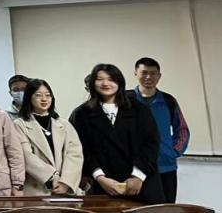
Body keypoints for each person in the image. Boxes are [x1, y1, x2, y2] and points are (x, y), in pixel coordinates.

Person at [70, 63, 163, 204]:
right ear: (92, 82)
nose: (105, 83)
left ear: (120, 82)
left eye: (111, 79)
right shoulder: (81, 114)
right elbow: (82, 150)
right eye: (100, 79)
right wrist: (100, 178)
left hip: (142, 183)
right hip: (103, 185)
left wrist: (138, 176)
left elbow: (151, 144)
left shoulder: (139, 109)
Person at [129, 57, 189, 202]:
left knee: (166, 207)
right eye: (144, 73)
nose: (148, 77)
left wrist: (172, 152)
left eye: (153, 73)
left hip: (165, 167)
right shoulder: (126, 100)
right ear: (136, 74)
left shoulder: (168, 101)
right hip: (133, 169)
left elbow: (182, 130)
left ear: (159, 76)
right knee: (133, 208)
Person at [13, 79, 84, 196]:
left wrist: (66, 182)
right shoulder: (20, 124)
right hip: (37, 189)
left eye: (48, 95)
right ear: (29, 98)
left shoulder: (63, 124)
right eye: (38, 95)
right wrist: (51, 177)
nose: (44, 99)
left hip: (64, 188)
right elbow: (25, 155)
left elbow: (74, 154)